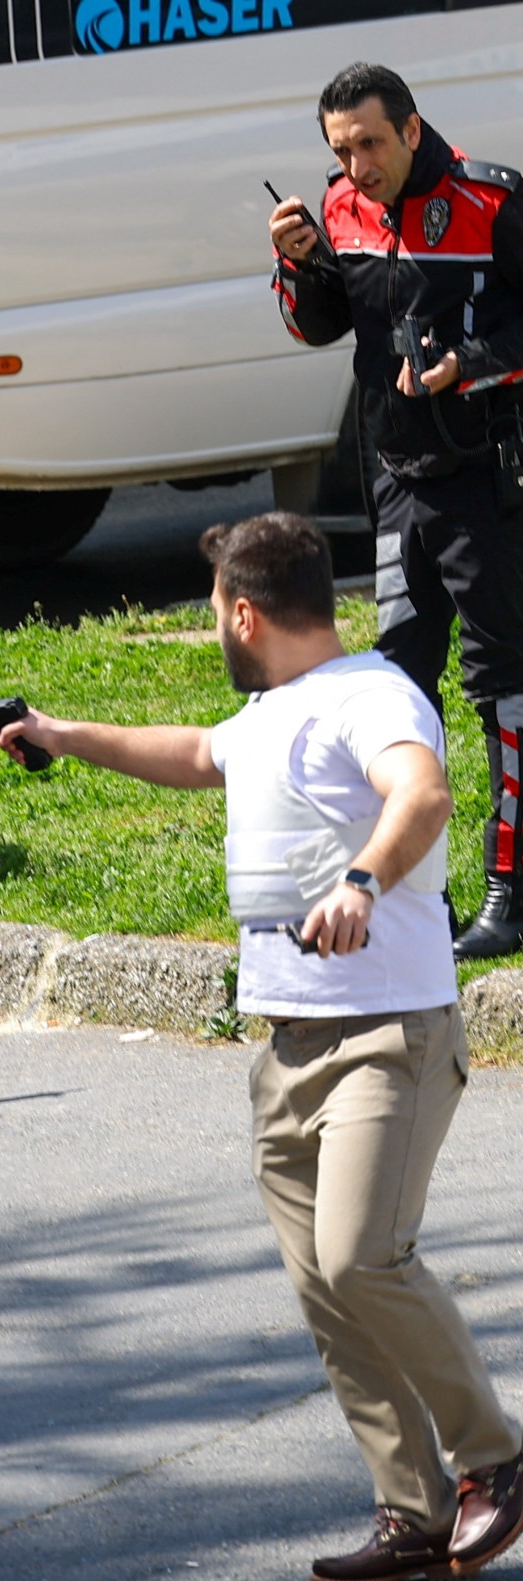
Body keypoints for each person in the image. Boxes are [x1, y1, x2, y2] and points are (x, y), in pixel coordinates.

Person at [0, 512, 523, 1581]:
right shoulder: (268, 713)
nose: (214, 629)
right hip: (285, 1051)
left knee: (363, 1257)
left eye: (213, 612)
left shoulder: (374, 696)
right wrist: (60, 733)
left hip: (387, 1038)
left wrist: (363, 881)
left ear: (243, 613)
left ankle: (498, 1459)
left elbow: (423, 793)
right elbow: (194, 754)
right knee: (328, 1290)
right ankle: (413, 1511)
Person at [270, 61, 523, 960]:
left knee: (505, 687)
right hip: (395, 487)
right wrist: (299, 264)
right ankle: (418, 897)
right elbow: (320, 324)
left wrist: (471, 363)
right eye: (341, 150)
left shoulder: (492, 202)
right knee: (396, 690)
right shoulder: (341, 207)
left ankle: (510, 892)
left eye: (371, 144)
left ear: (413, 130)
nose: (357, 166)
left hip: (486, 482)